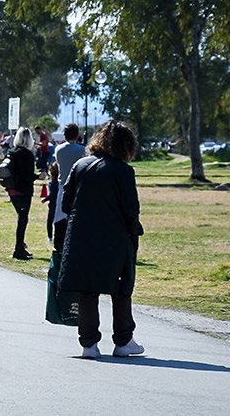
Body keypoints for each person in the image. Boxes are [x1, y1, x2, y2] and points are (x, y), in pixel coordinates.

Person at [59, 120, 144, 359]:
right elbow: (131, 209)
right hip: (115, 239)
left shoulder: (80, 166)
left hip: (81, 238)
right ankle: (123, 340)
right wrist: (134, 231)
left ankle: (89, 345)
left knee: (88, 290)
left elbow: (66, 204)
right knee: (121, 290)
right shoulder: (124, 172)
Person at [7, 127, 38, 260]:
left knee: (21, 218)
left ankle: (20, 246)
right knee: (23, 219)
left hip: (12, 189)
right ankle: (18, 250)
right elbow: (27, 175)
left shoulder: (11, 151)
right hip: (23, 191)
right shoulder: (27, 154)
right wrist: (38, 177)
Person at [53, 123, 86, 248]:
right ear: (77, 135)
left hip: (62, 186)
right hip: (78, 187)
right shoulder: (83, 151)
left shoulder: (59, 149)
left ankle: (59, 245)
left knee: (60, 217)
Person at [41, 162, 61, 248]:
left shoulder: (52, 183)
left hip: (53, 204)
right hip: (59, 203)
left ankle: (50, 237)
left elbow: (53, 195)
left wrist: (45, 199)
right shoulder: (60, 181)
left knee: (50, 221)